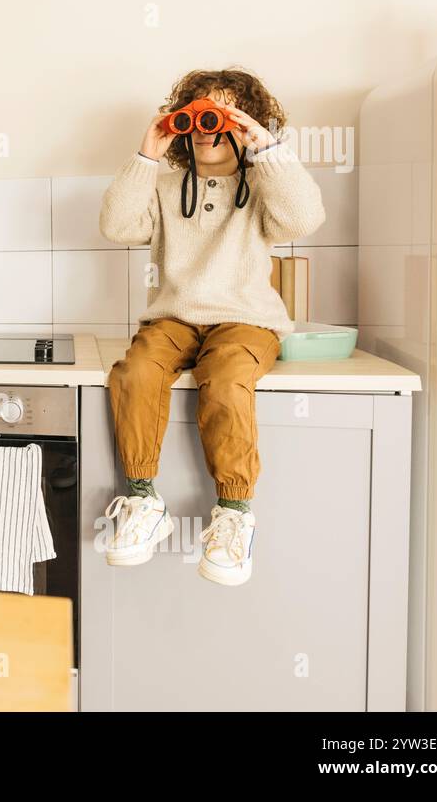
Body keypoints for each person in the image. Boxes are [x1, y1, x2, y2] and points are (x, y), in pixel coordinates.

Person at [98, 67, 325, 586]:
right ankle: (141, 501)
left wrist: (263, 148)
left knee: (223, 380)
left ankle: (235, 511)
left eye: (222, 116)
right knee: (134, 372)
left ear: (244, 125)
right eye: (198, 115)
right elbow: (116, 225)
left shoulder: (262, 183)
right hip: (174, 317)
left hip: (245, 320)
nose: (206, 127)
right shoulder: (165, 183)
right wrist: (146, 154)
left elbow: (303, 218)